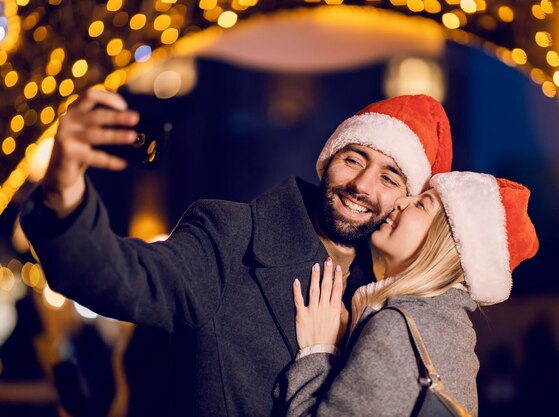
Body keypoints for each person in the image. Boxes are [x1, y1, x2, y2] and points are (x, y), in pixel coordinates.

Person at [20, 89, 453, 417]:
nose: (362, 186)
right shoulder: (234, 236)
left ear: (405, 201)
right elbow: (127, 278)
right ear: (327, 160)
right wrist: (63, 192)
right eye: (354, 159)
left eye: (390, 177)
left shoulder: (391, 297)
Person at [276, 171, 539, 417]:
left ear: (446, 242)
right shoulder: (449, 329)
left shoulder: (400, 329)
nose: (402, 202)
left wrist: (318, 354)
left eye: (422, 204)